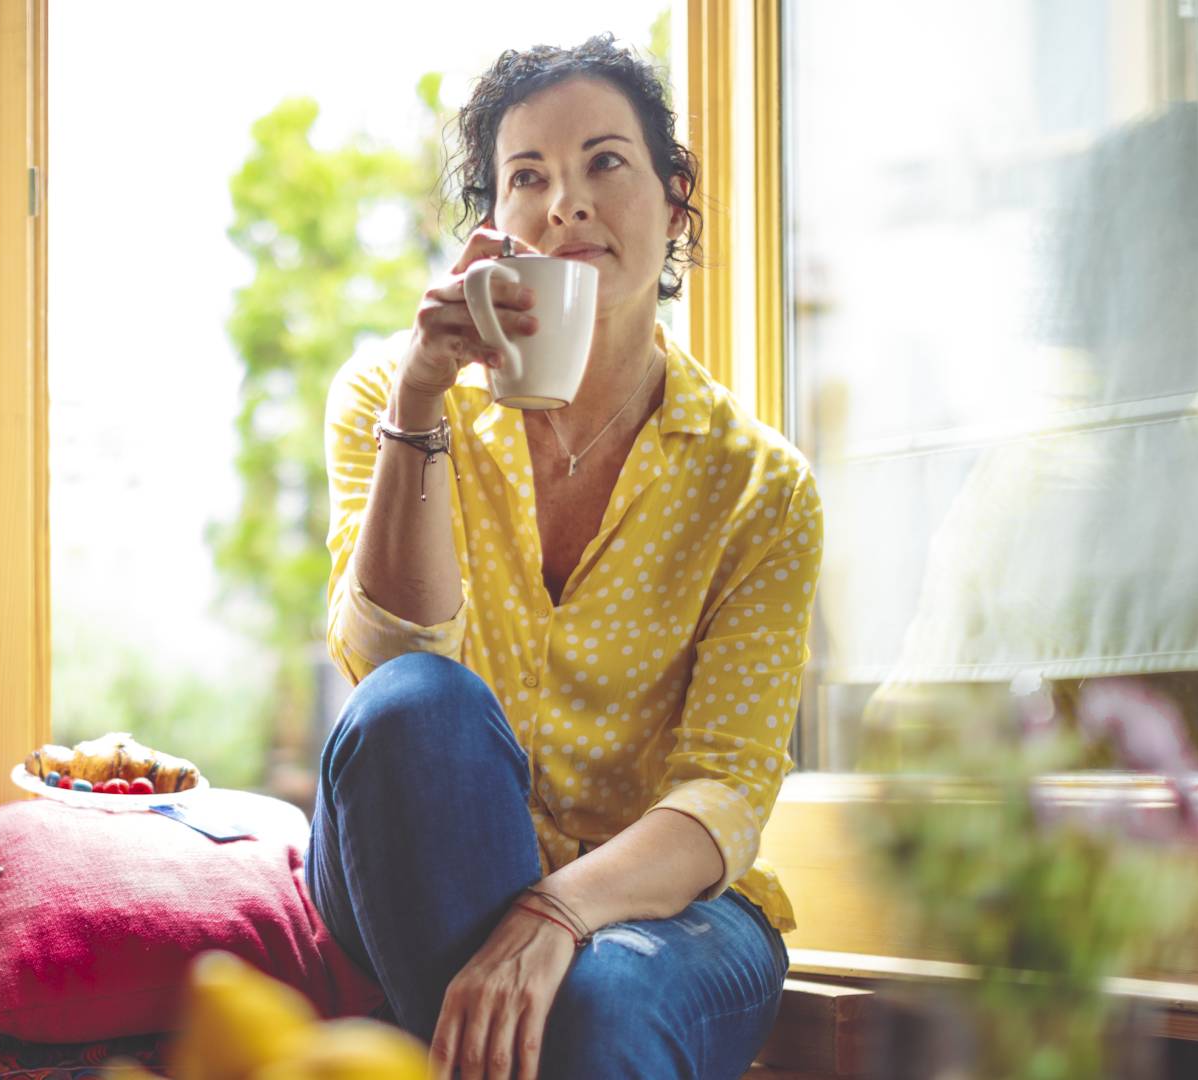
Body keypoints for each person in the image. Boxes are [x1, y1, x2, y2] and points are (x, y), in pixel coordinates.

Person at [306, 34, 823, 1080]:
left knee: (602, 1000)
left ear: (675, 204)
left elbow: (721, 795)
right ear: (495, 227)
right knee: (416, 704)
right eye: (528, 177)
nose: (566, 203)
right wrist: (421, 401)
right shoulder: (386, 395)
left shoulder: (760, 492)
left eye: (605, 164)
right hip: (416, 853)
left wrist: (556, 911)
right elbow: (388, 661)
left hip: (664, 912)